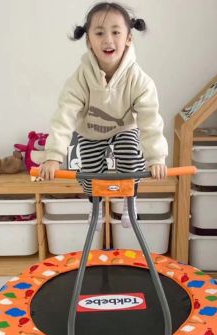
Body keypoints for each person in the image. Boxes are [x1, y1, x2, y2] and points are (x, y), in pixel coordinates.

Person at [41, 2, 168, 229]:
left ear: (129, 38)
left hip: (124, 128)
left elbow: (151, 121)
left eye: (116, 32)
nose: (108, 40)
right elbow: (65, 115)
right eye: (99, 33)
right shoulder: (80, 78)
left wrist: (156, 158)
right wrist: (53, 155)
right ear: (89, 40)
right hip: (90, 131)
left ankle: (131, 202)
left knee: (131, 155)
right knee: (89, 172)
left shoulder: (140, 81)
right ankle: (95, 204)